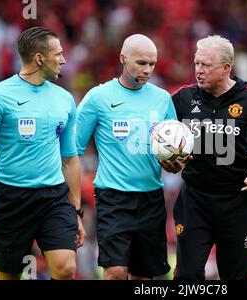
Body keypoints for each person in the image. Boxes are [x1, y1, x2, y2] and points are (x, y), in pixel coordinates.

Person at [0, 27, 86, 280]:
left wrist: (76, 210)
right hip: (12, 197)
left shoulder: (65, 99)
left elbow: (70, 158)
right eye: (59, 54)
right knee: (9, 274)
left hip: (53, 197)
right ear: (39, 58)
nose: (64, 60)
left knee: (66, 268)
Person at [166, 35, 247, 280]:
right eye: (196, 63)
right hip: (195, 199)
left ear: (226, 67)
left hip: (237, 201)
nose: (198, 70)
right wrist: (169, 161)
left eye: (206, 65)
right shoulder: (182, 98)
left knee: (237, 276)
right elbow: (164, 142)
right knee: (187, 275)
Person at [76, 34, 176, 280]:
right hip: (113, 198)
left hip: (151, 198)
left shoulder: (163, 99)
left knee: (143, 277)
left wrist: (175, 162)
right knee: (115, 272)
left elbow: (175, 150)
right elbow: (72, 150)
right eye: (141, 63)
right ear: (123, 58)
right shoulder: (98, 98)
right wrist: (72, 203)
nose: (148, 70)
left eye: (152, 64)